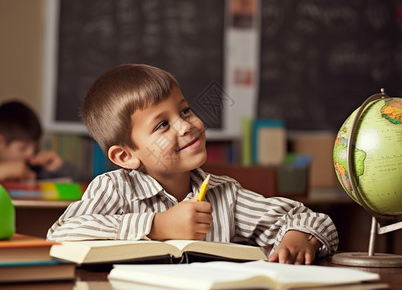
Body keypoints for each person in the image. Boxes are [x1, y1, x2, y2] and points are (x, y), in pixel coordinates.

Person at [47, 64, 338, 264]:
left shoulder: (226, 195)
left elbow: (311, 219)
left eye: (184, 111)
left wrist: (299, 237)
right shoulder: (115, 188)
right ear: (126, 156)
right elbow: (61, 232)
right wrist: (157, 225)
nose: (186, 126)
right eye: (162, 125)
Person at [0, 100, 84, 183]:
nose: (31, 153)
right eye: (23, 148)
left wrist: (60, 167)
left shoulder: (38, 169)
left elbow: (88, 187)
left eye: (35, 146)